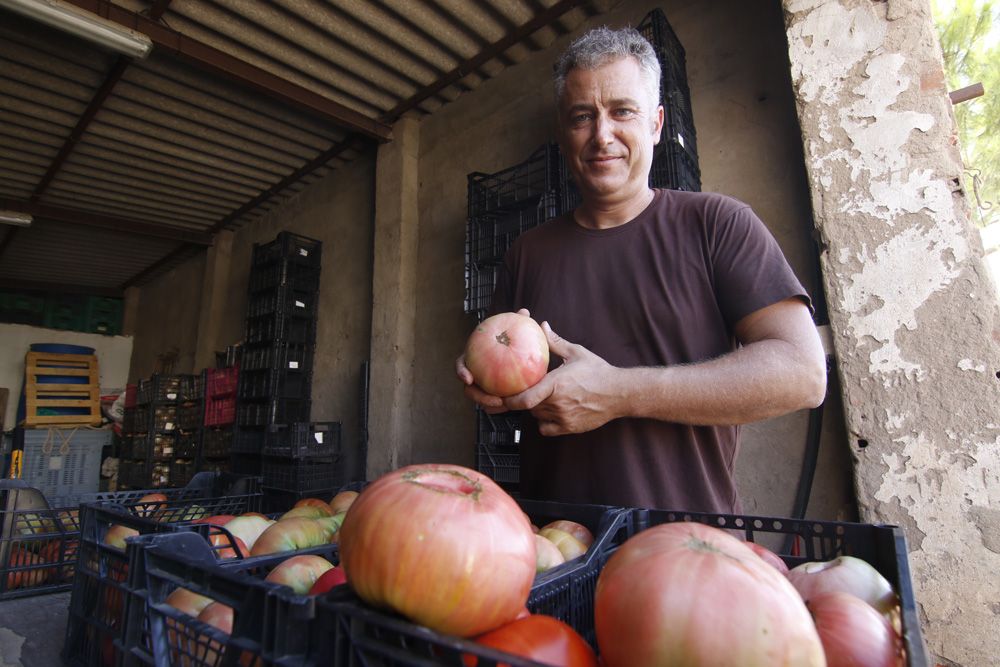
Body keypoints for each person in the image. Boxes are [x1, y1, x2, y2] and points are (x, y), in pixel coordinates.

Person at [456, 26, 827, 514]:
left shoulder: (717, 224)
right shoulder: (526, 253)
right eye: (582, 116)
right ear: (563, 134)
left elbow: (802, 373)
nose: (601, 135)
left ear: (655, 124)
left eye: (622, 111)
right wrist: (486, 376)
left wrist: (621, 393)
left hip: (687, 542)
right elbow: (511, 378)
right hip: (559, 543)